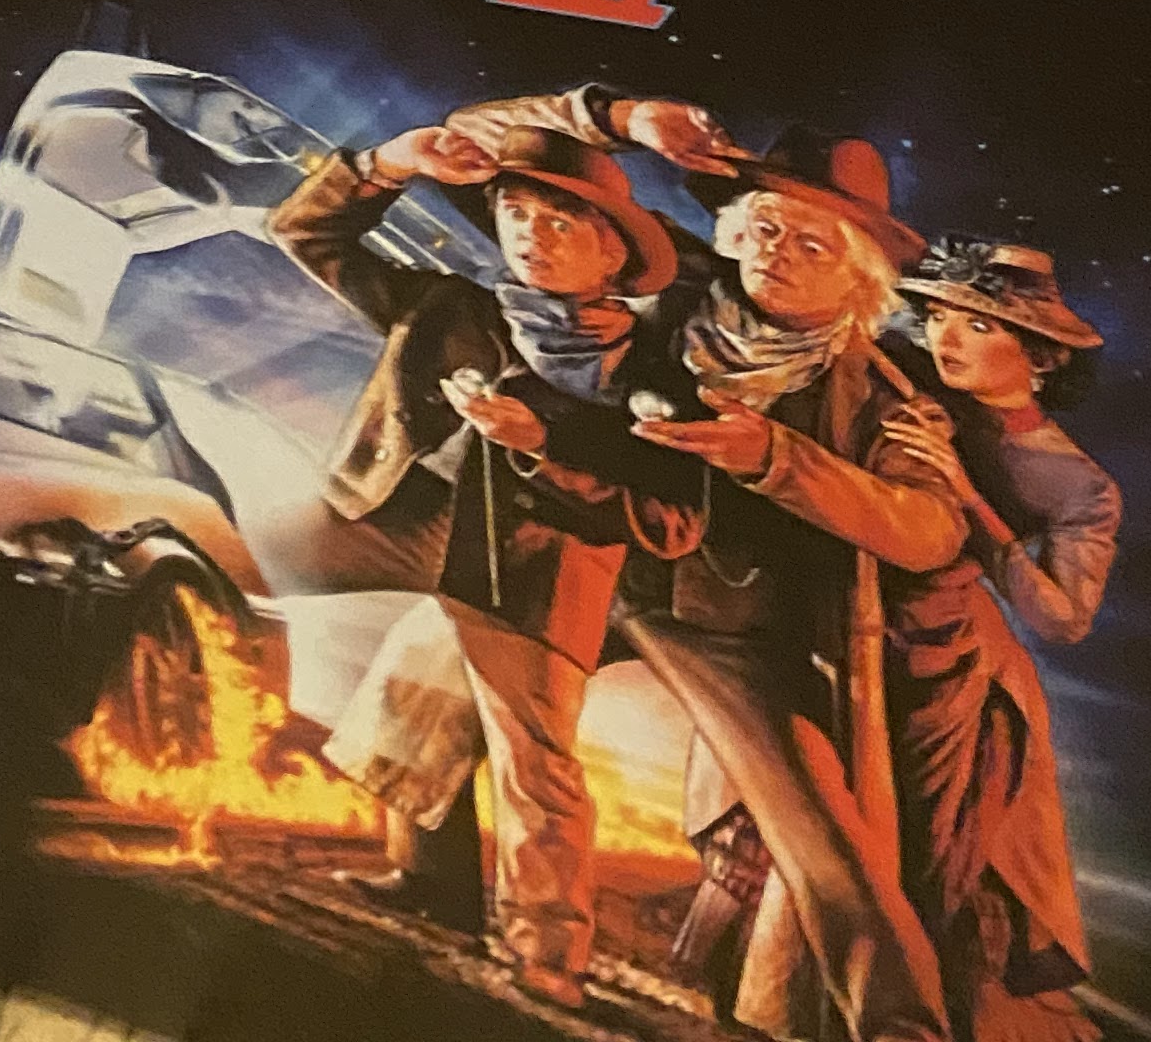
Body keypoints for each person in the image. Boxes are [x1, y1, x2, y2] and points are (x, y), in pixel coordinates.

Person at [441, 93, 966, 1042]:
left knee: (824, 844)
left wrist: (775, 459)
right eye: (764, 228)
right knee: (429, 663)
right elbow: (486, 141)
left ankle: (902, 1025)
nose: (776, 253)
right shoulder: (682, 303)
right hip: (607, 568)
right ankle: (443, 883)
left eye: (811, 243)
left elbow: (929, 530)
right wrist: (620, 115)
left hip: (739, 631)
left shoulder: (884, 395)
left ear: (859, 273)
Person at [268, 119, 700, 1003]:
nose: (531, 237)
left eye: (561, 222)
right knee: (413, 704)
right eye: (516, 214)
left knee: (533, 764)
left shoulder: (649, 375)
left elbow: (671, 521)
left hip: (561, 575)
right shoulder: (456, 311)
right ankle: (433, 884)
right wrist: (387, 164)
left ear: (615, 252)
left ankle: (548, 952)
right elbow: (304, 232)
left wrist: (543, 446)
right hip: (462, 555)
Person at [881, 241, 1121, 1042]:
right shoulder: (900, 383)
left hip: (959, 670)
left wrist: (965, 498)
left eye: (978, 324)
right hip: (858, 611)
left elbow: (1063, 618)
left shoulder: (1079, 483)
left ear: (1041, 356)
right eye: (938, 316)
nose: (945, 339)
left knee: (934, 864)